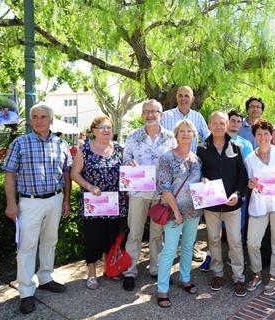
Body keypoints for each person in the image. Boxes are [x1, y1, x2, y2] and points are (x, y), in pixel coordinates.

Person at [3, 103, 72, 314]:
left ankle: (45, 277)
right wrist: (11, 203)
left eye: (43, 117)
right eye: (34, 117)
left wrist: (66, 200)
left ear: (51, 120)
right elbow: (9, 175)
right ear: (31, 120)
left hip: (55, 199)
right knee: (26, 246)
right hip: (29, 202)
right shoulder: (20, 143)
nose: (38, 120)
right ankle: (26, 292)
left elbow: (67, 175)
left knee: (50, 241)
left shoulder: (61, 144)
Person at [121, 99, 177, 291]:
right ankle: (129, 271)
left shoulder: (170, 137)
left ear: (161, 114)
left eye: (153, 111)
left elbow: (175, 163)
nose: (149, 115)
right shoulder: (132, 137)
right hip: (138, 192)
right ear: (142, 114)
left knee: (156, 234)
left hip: (161, 194)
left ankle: (156, 269)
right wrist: (129, 164)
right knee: (134, 232)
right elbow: (126, 159)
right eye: (146, 111)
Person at [70, 116, 127, 290]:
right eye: (102, 127)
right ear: (93, 130)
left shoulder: (118, 149)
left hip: (114, 202)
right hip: (93, 202)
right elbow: (74, 174)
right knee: (93, 237)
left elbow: (125, 173)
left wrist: (131, 165)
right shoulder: (84, 150)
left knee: (111, 237)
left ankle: (109, 269)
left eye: (109, 127)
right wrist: (89, 186)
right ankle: (92, 273)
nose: (106, 130)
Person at [197, 111, 248, 296]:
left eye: (222, 123)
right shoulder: (201, 148)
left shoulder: (236, 147)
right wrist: (201, 179)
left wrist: (237, 193)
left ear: (227, 125)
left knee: (235, 241)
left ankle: (238, 277)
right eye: (215, 123)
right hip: (211, 205)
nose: (219, 126)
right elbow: (197, 172)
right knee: (214, 240)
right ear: (209, 125)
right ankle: (217, 273)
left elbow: (243, 176)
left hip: (232, 204)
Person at [245, 119, 275, 296]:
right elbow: (249, 182)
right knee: (252, 242)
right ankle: (257, 273)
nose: (263, 137)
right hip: (259, 205)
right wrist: (250, 184)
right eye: (259, 134)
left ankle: (274, 276)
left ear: (271, 135)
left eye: (266, 133)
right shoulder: (249, 159)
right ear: (255, 136)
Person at [156, 120, 203, 308]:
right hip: (173, 212)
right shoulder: (167, 158)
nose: (185, 134)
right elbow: (164, 188)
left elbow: (198, 182)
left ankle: (185, 278)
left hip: (193, 211)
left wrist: (205, 180)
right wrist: (176, 211)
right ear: (176, 135)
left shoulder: (196, 159)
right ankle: (162, 289)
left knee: (188, 246)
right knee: (169, 250)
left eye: (189, 131)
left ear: (193, 135)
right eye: (182, 131)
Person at [160, 85, 210, 153]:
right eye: (180, 96)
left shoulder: (198, 117)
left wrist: (198, 151)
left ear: (192, 99)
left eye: (187, 96)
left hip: (191, 161)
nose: (183, 98)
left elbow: (208, 139)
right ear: (176, 97)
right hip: (169, 161)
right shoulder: (164, 116)